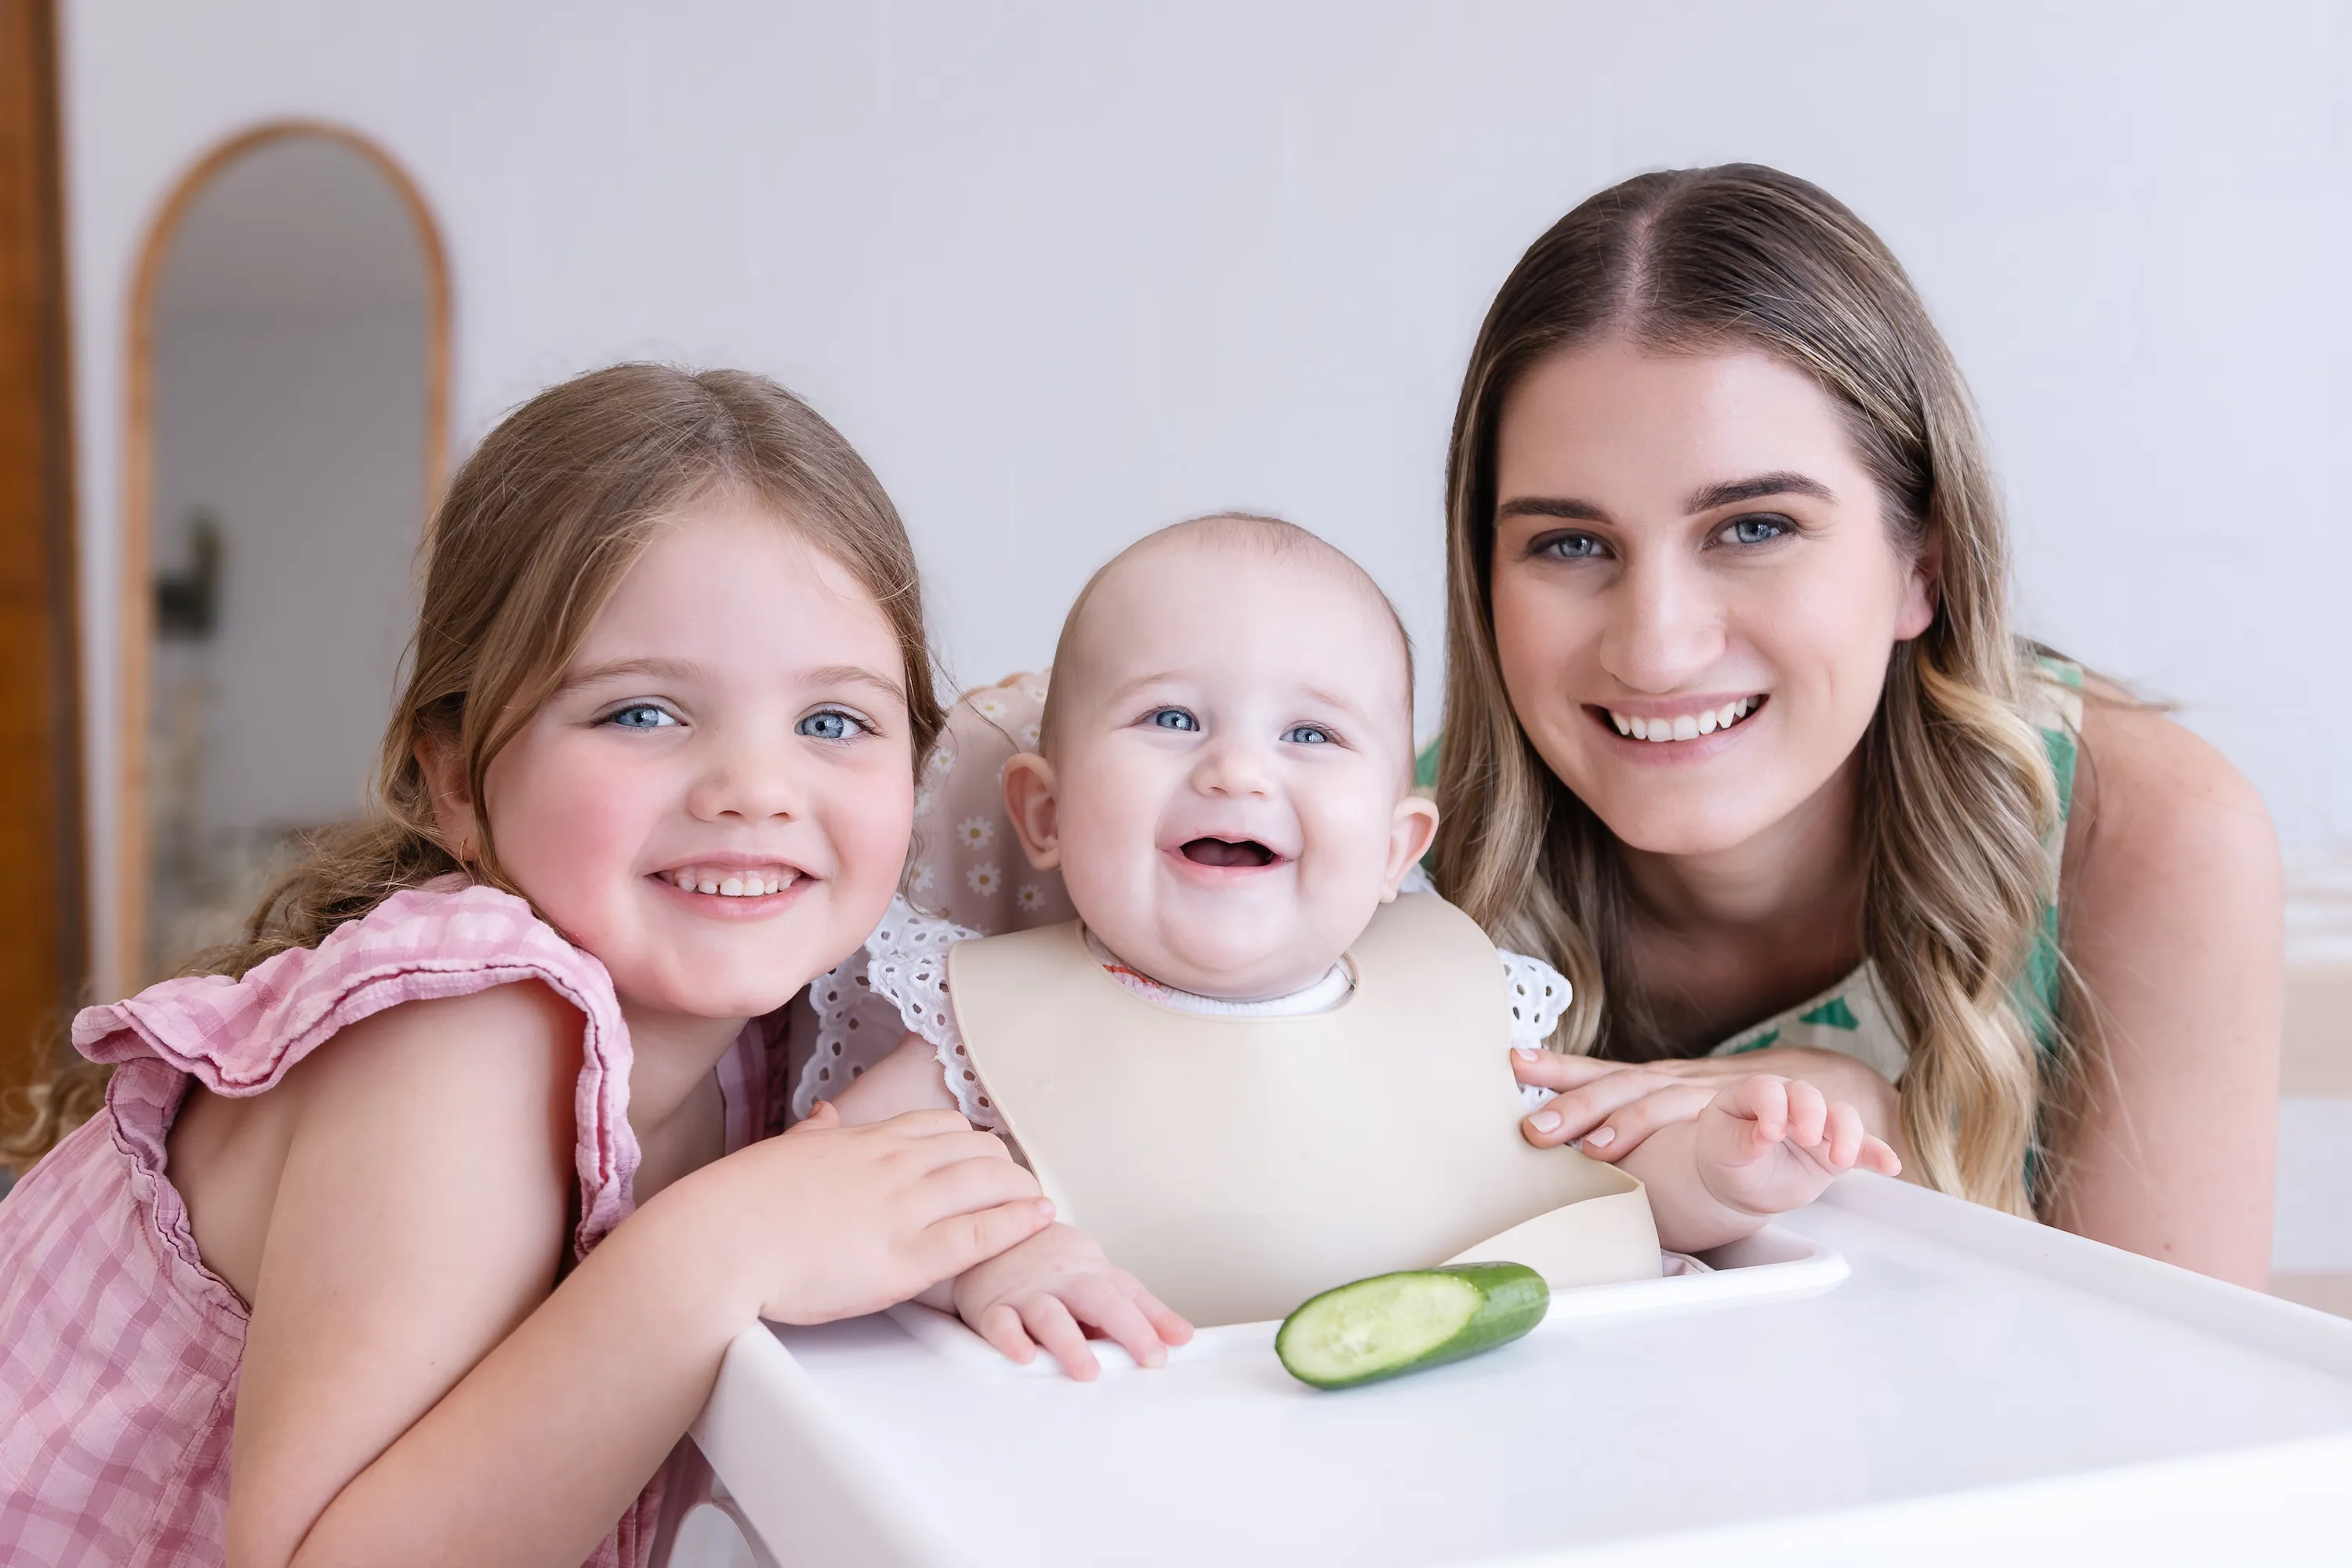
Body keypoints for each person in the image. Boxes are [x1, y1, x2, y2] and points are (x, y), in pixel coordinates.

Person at [0, 365, 1053, 1567]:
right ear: (457, 782)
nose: (757, 790)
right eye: (643, 713)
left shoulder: (785, 1024)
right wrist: (717, 1246)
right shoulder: (466, 1033)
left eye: (833, 723)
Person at [1430, 165, 2280, 1285]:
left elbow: (2175, 1420)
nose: (1655, 647)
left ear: (1920, 561)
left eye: (1753, 527)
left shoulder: (2146, 832)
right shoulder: (1389, 859)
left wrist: (1875, 1152)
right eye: (1571, 544)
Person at [820, 514, 1897, 1378]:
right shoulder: (980, 1037)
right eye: (1172, 720)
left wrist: (1728, 1168)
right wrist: (993, 1258)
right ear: (1042, 816)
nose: (1239, 773)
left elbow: (1602, 1188)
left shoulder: (1471, 1005)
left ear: (1397, 849)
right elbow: (828, 1201)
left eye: (1310, 735)